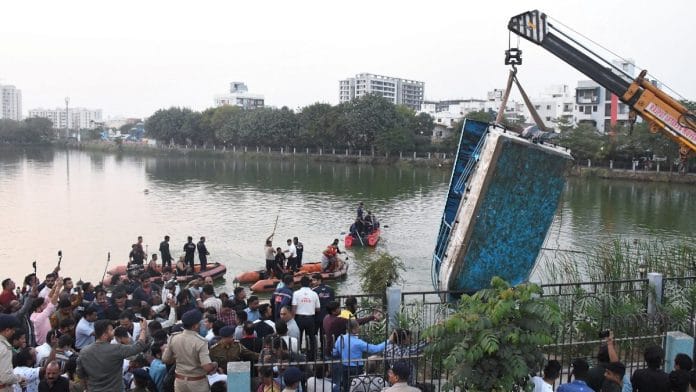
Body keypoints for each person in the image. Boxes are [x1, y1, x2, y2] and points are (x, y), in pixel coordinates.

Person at [76, 318, 149, 392]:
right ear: (104, 335)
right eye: (111, 330)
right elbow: (138, 346)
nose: (113, 332)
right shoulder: (116, 349)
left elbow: (80, 374)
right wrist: (143, 329)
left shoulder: (84, 352)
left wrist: (85, 389)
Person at [162, 309, 218, 392]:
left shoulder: (174, 337)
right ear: (195, 326)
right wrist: (214, 364)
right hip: (197, 383)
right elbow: (207, 367)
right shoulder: (201, 342)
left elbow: (165, 359)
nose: (201, 324)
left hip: (179, 382)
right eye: (200, 323)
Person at [332, 319, 387, 389]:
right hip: (356, 368)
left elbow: (334, 352)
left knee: (347, 387)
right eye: (358, 326)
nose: (359, 328)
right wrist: (388, 341)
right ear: (353, 329)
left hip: (344, 366)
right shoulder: (358, 342)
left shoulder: (340, 338)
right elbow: (374, 349)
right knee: (358, 386)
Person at [292, 276, 320, 360]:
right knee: (311, 339)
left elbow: (294, 308)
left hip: (299, 318)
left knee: (298, 338)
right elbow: (318, 309)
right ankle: (311, 358)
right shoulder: (314, 294)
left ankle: (298, 357)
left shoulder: (296, 293)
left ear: (300, 283)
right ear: (310, 283)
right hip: (310, 318)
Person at [0, 314, 24, 390]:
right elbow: (6, 377)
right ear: (7, 330)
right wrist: (18, 378)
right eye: (13, 330)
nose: (14, 332)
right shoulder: (5, 348)